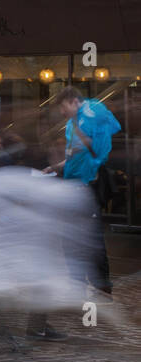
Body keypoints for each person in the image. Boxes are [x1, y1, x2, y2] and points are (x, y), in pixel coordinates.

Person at [45, 86, 119, 295]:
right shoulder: (72, 123)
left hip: (89, 184)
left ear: (73, 101)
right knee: (69, 233)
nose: (62, 112)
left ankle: (102, 283)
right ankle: (76, 280)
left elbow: (97, 147)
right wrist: (55, 167)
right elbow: (73, 155)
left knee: (92, 234)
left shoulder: (94, 110)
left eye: (63, 107)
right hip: (73, 183)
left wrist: (84, 139)